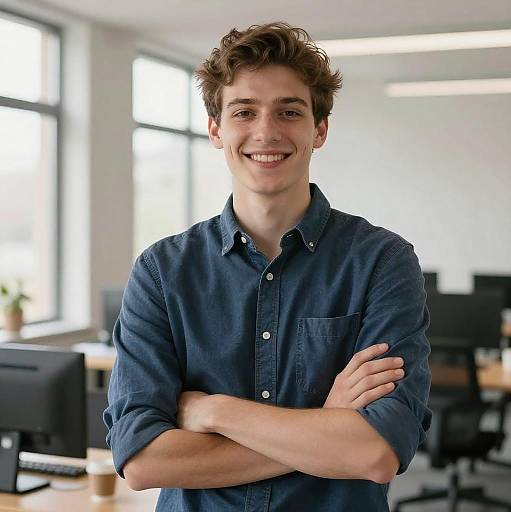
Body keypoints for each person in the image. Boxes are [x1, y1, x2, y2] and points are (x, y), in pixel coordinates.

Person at [104, 22, 431, 511]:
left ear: (319, 129)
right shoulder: (161, 272)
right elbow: (145, 461)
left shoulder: (382, 262)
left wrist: (212, 410)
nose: (266, 131)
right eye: (244, 111)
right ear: (217, 130)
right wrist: (323, 426)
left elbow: (375, 451)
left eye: (289, 111)